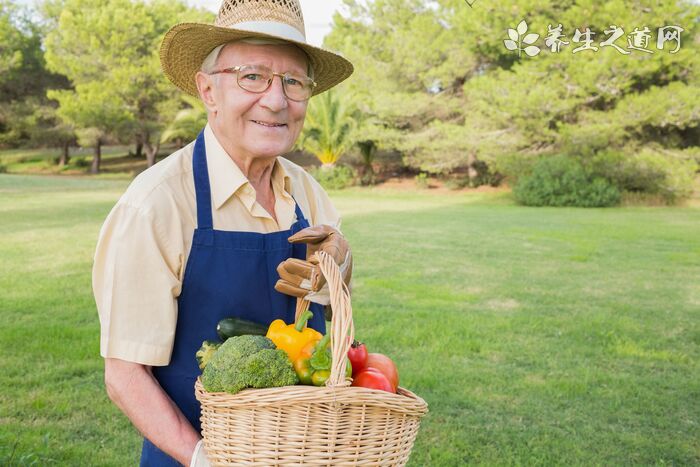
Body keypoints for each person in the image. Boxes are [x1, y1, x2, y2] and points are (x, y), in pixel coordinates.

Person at [92, 1, 354, 465]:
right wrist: (206, 458)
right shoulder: (157, 205)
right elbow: (125, 374)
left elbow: (328, 324)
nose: (276, 101)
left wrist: (341, 273)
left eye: (293, 81)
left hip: (301, 452)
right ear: (208, 89)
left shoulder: (309, 194)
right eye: (252, 76)